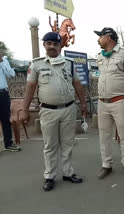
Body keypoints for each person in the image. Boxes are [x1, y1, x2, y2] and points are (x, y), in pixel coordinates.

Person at [21, 32, 87, 191]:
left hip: (69, 109)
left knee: (67, 143)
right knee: (50, 145)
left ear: (60, 46)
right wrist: (24, 110)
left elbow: (77, 84)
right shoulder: (36, 65)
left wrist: (83, 103)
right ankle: (49, 176)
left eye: (55, 44)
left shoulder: (69, 63)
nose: (52, 46)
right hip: (48, 111)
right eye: (48, 43)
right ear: (44, 45)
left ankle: (67, 172)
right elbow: (30, 88)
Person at [94, 27, 124, 178]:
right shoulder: (99, 56)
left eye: (100, 37)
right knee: (104, 135)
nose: (98, 39)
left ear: (109, 37)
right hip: (102, 102)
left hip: (120, 101)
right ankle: (106, 164)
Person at [0, 49, 21, 152]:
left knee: (5, 119)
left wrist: (2, 63)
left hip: (3, 93)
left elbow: (11, 74)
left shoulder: (4, 61)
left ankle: (8, 144)